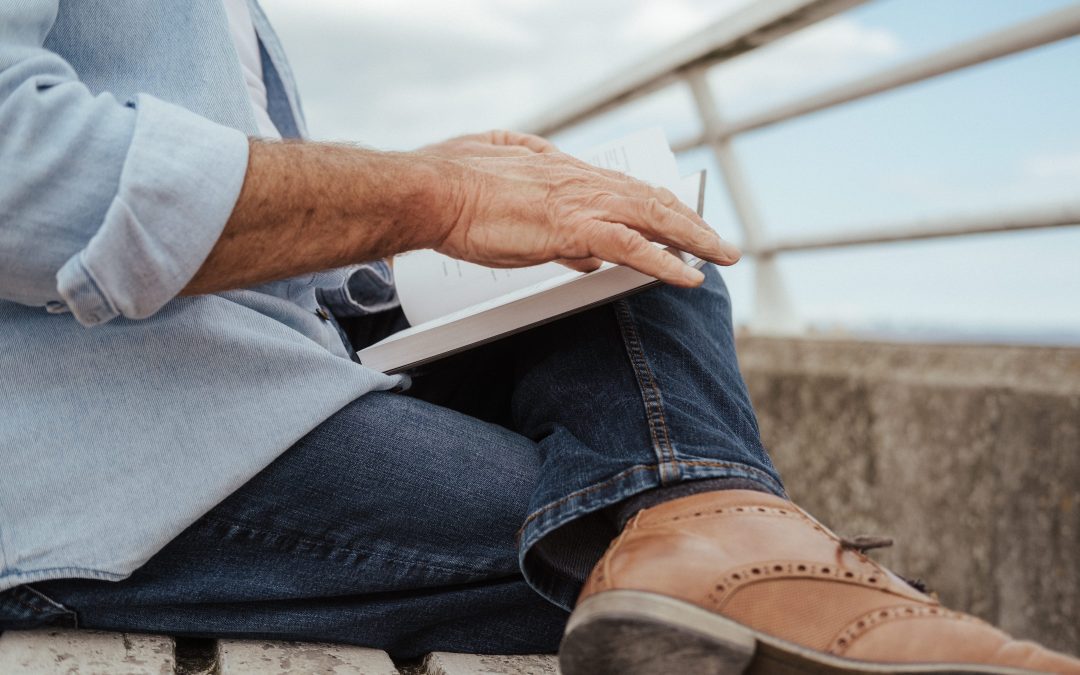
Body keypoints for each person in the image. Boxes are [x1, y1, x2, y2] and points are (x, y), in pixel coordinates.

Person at [0, 1, 1076, 672]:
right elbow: (25, 174)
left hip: (238, 362)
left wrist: (444, 194)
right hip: (111, 446)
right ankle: (732, 555)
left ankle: (713, 529)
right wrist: (429, 198)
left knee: (618, 229)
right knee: (624, 553)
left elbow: (180, 231)